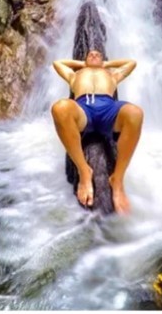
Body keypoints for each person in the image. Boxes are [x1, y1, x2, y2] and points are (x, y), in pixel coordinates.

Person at [51, 49, 143, 213]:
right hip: (83, 110)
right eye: (90, 54)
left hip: (109, 109)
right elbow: (57, 63)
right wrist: (83, 64)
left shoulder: (112, 75)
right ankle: (84, 170)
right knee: (60, 108)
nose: (94, 55)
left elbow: (131, 63)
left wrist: (105, 64)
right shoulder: (74, 76)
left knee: (135, 113)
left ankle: (117, 179)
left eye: (98, 55)